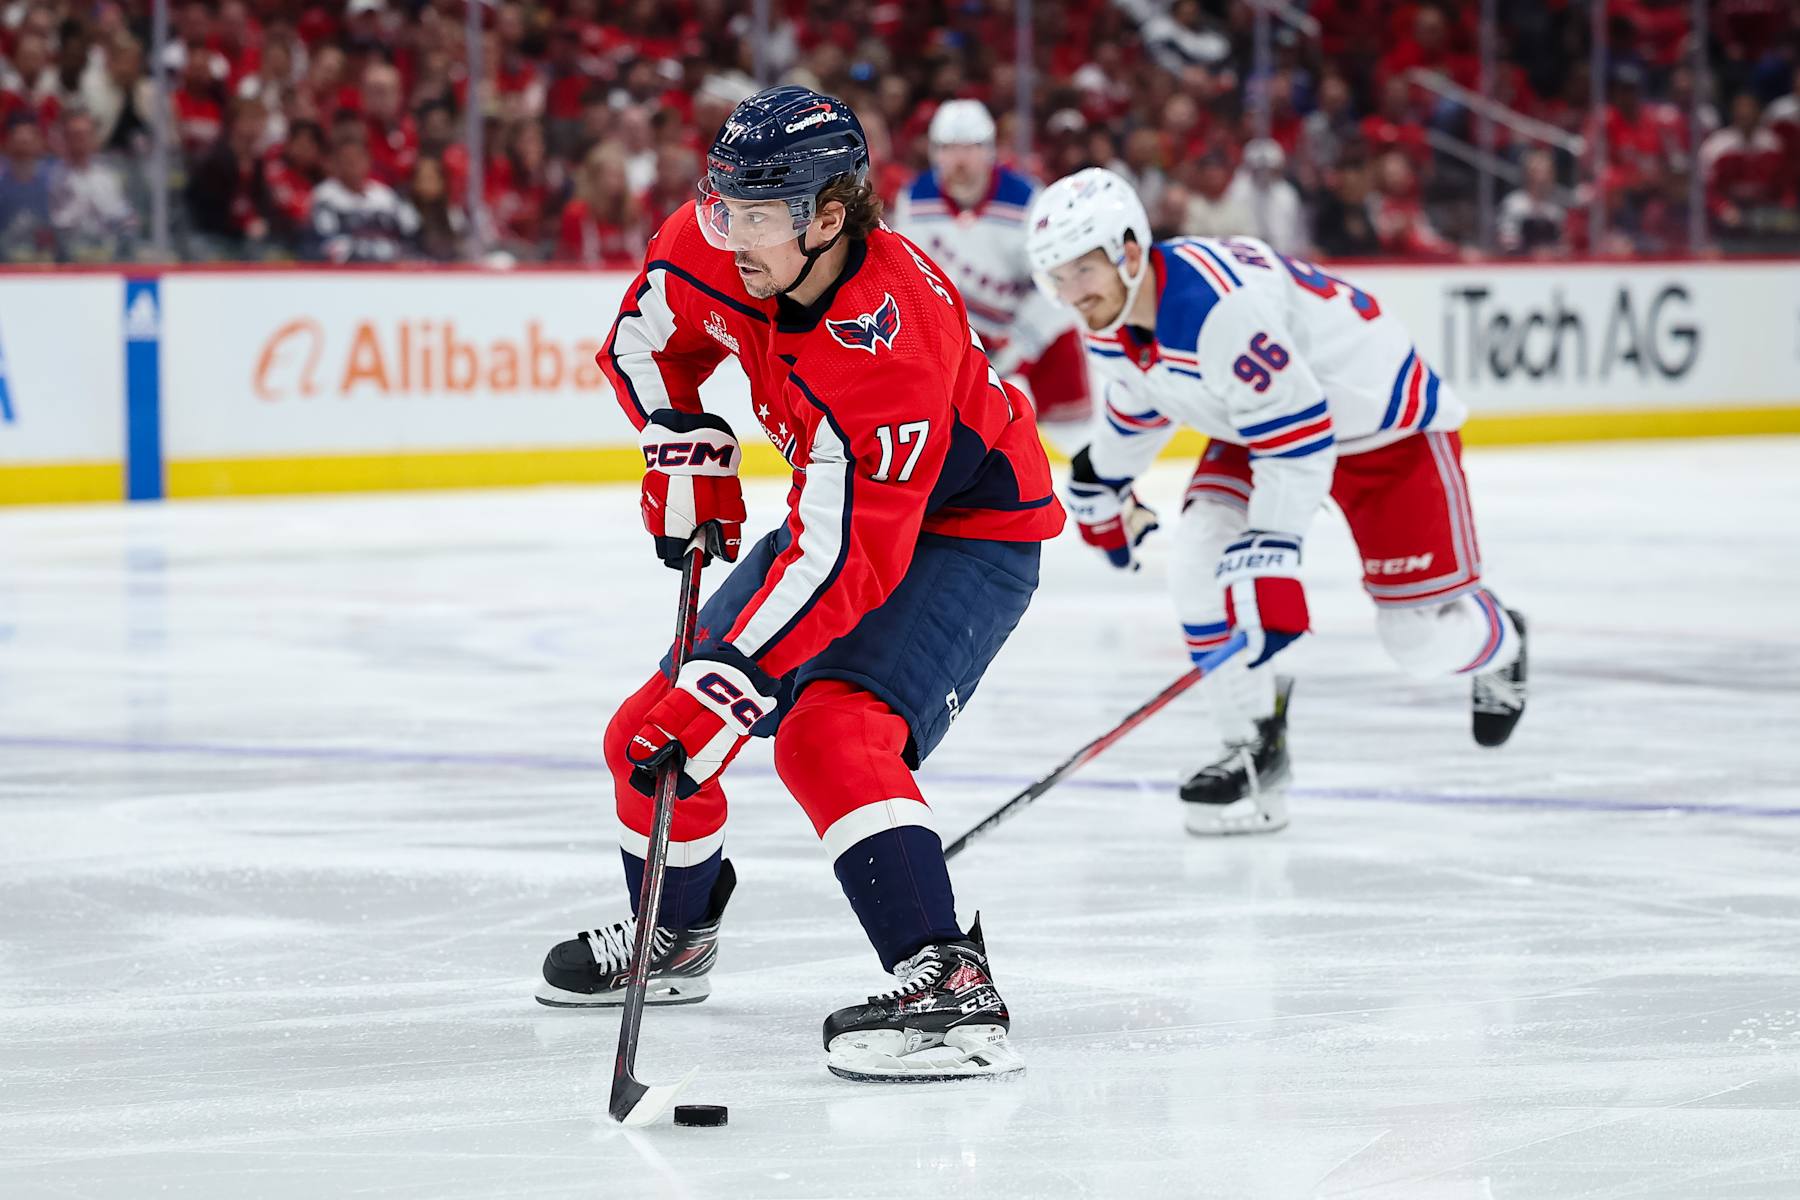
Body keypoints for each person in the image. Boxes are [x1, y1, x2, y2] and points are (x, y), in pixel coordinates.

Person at [536, 86, 1063, 1082]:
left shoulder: (892, 338)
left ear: (832, 216)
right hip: (846, 512)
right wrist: (676, 430)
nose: (732, 234)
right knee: (639, 737)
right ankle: (676, 936)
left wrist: (728, 689)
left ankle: (948, 982)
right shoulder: (721, 239)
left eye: (762, 214)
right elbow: (644, 340)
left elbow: (847, 561)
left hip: (968, 533)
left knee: (831, 732)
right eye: (724, 203)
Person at [1024, 167, 1527, 837]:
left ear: (1130, 252)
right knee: (1198, 560)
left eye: (1081, 271)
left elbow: (1301, 435)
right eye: (1056, 277)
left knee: (1417, 642)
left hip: (1385, 428)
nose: (1070, 292)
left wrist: (1272, 555)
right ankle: (1254, 747)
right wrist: (1102, 479)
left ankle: (1502, 640)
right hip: (1265, 425)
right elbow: (1142, 404)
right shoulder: (1111, 314)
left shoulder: (1215, 309)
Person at [891, 100, 1092, 442]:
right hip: (960, 337)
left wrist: (1022, 342)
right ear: (934, 153)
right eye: (949, 149)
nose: (959, 160)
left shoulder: (1028, 202)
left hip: (1035, 334)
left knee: (1075, 436)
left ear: (990, 151)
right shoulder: (915, 201)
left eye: (970, 148)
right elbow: (909, 282)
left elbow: (1057, 283)